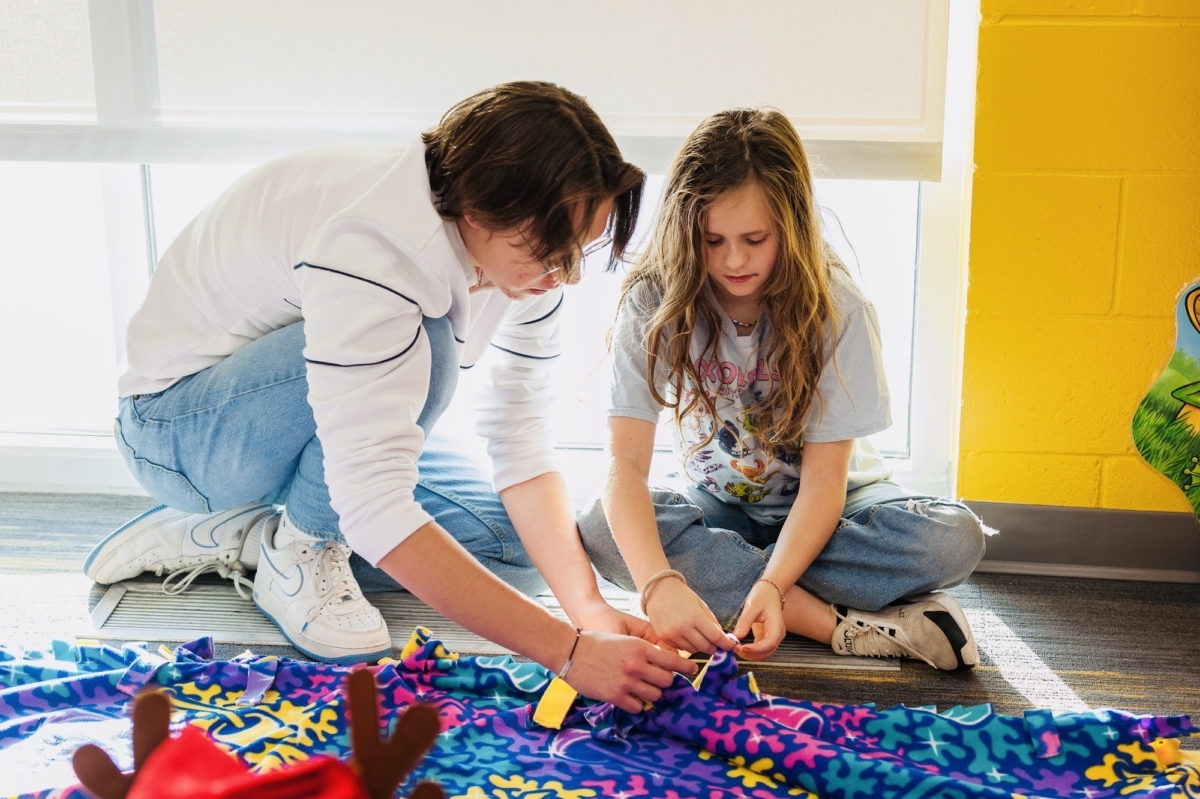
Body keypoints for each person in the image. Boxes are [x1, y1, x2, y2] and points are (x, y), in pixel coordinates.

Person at [84, 82, 695, 711]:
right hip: (177, 431)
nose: (563, 277)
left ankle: (252, 532)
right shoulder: (375, 245)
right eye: (549, 252)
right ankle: (300, 545)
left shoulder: (523, 272)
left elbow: (520, 443)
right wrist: (566, 654)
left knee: (512, 556)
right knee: (426, 353)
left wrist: (587, 613)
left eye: (580, 254)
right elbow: (372, 499)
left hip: (312, 416)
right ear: (482, 210)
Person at [578, 108, 988, 669]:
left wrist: (768, 578)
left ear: (790, 228)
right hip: (718, 504)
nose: (734, 259)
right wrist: (655, 586)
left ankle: (739, 586)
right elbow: (623, 465)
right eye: (712, 240)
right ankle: (837, 624)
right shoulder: (651, 301)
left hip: (836, 509)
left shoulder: (837, 308)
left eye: (754, 238)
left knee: (954, 539)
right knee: (600, 527)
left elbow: (824, 484)